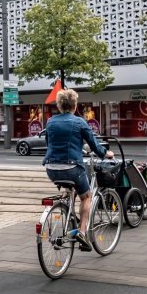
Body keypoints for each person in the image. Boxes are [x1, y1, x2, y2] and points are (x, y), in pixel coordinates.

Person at [43, 88, 113, 252]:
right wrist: (106, 154)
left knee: (71, 188)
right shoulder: (79, 122)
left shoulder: (50, 121)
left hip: (51, 168)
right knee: (87, 196)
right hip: (72, 167)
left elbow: (49, 143)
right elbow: (95, 145)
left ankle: (68, 213)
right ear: (75, 105)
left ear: (59, 105)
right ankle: (82, 232)